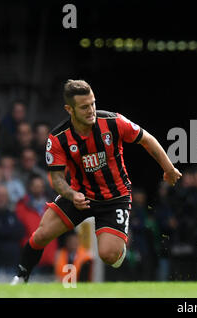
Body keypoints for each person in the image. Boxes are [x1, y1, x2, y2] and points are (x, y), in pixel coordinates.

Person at [11, 79, 181, 284]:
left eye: (92, 103)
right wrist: (72, 195)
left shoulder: (113, 122)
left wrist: (169, 168)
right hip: (79, 195)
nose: (91, 110)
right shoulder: (58, 138)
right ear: (69, 109)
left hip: (115, 197)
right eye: (84, 107)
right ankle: (21, 278)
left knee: (108, 255)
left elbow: (147, 139)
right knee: (41, 235)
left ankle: (119, 246)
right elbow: (56, 178)